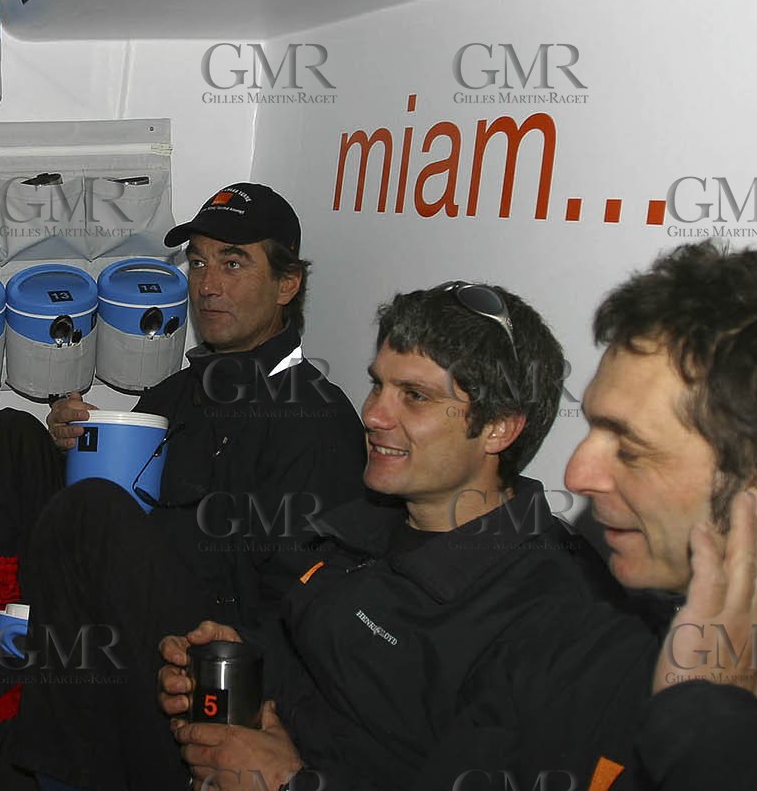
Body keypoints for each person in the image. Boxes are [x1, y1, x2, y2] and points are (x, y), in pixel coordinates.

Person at [0, 183, 367, 791]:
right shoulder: (175, 394)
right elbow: (110, 510)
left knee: (94, 509)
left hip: (201, 650)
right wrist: (75, 449)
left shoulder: (314, 421)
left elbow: (306, 614)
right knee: (8, 438)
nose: (207, 285)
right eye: (197, 263)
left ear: (287, 284)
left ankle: (32, 735)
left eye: (233, 263)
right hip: (115, 605)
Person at [420, 242, 757, 790]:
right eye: (593, 429)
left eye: (629, 448)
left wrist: (712, 733)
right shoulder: (572, 631)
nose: (578, 475)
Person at [155, 281, 634, 791]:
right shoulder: (363, 525)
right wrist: (241, 657)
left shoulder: (555, 620)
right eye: (377, 385)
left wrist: (286, 782)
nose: (373, 415)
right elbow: (302, 651)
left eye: (415, 396)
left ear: (498, 427)